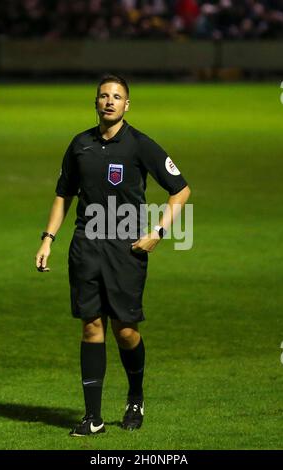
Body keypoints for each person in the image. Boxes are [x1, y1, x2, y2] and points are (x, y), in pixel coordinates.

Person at [35, 74, 190, 436]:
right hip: (85, 247)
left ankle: (135, 395)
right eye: (104, 95)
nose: (109, 101)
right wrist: (47, 238)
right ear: (96, 102)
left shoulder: (139, 145)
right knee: (91, 326)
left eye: (117, 97)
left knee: (125, 331)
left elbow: (180, 190)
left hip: (125, 250)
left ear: (126, 105)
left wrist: (158, 232)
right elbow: (63, 194)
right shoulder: (79, 144)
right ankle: (93, 418)